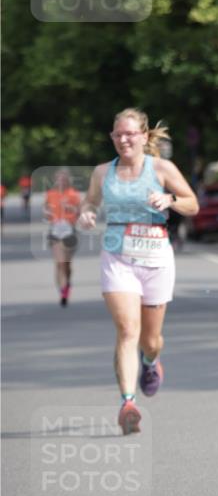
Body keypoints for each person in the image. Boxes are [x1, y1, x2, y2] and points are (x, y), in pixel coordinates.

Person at [78, 109, 199, 435]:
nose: (124, 139)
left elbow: (193, 204)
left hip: (156, 257)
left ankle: (150, 362)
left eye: (130, 133)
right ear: (112, 138)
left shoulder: (161, 168)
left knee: (151, 339)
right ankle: (128, 403)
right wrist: (87, 215)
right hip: (118, 257)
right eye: (118, 134)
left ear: (144, 137)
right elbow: (90, 203)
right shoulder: (103, 173)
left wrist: (169, 199)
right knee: (127, 331)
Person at [45, 168, 81, 306]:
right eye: (58, 179)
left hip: (69, 230)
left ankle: (67, 283)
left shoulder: (73, 194)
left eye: (63, 179)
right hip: (55, 230)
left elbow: (80, 212)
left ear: (67, 181)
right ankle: (62, 291)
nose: (60, 181)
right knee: (59, 263)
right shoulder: (51, 194)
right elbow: (46, 211)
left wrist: (72, 210)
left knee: (66, 264)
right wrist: (48, 213)